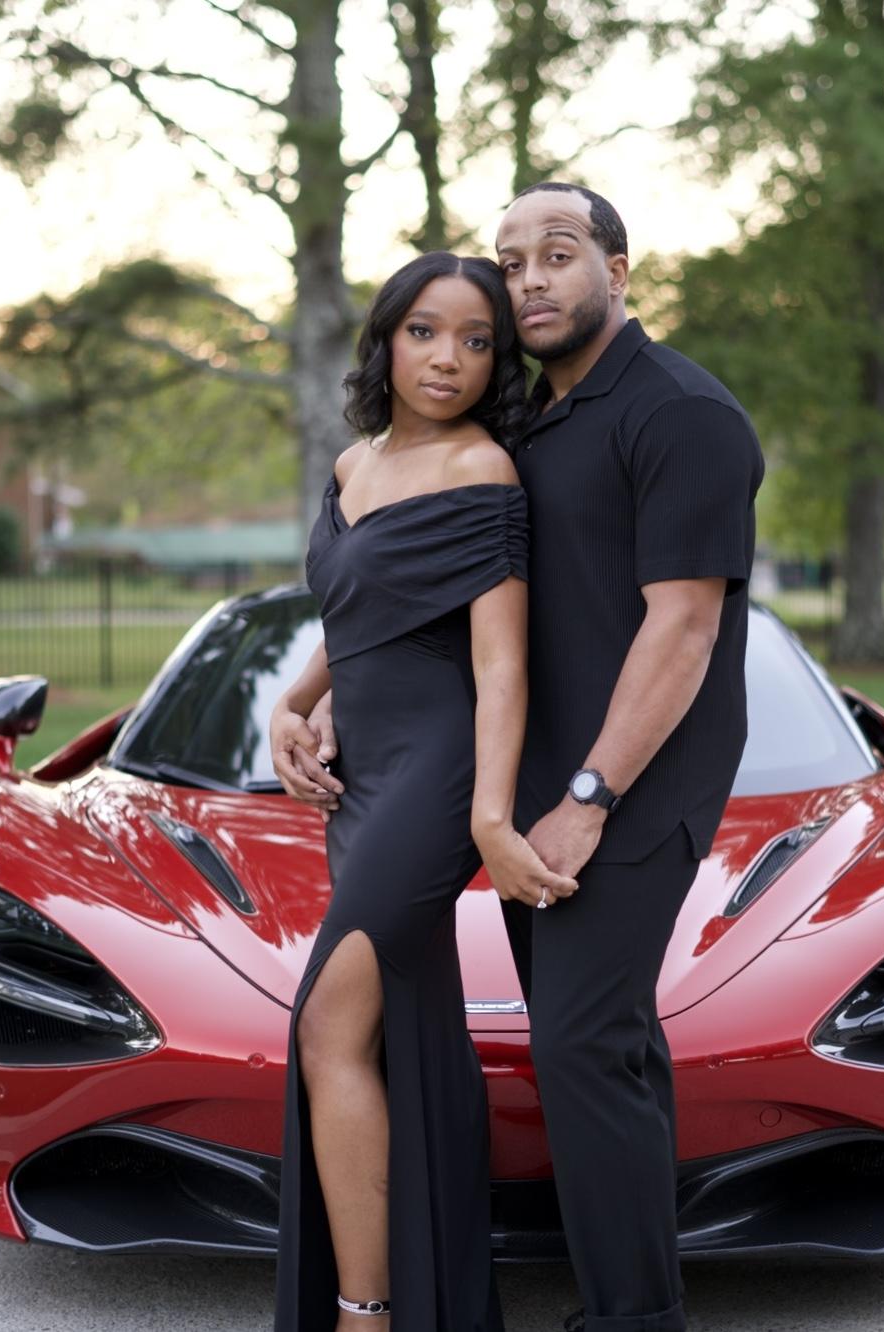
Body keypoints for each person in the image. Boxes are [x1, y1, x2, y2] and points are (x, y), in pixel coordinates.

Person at [281, 185, 764, 1332]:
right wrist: (316, 696)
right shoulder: (532, 424)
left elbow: (683, 629)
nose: (532, 279)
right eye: (514, 262)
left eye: (558, 254)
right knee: (598, 1050)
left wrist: (587, 798)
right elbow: (412, 597)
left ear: (618, 268)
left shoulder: (681, 412)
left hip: (624, 788)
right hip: (511, 781)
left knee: (585, 1045)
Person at [269, 250, 577, 1332]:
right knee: (402, 1030)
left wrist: (488, 817)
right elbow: (358, 612)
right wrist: (295, 703)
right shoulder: (353, 465)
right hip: (362, 777)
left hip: (436, 776)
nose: (449, 358)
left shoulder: (481, 470)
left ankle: (365, 1312)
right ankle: (434, 1298)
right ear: (387, 339)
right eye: (426, 332)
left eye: (478, 341)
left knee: (328, 1028)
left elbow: (502, 664)